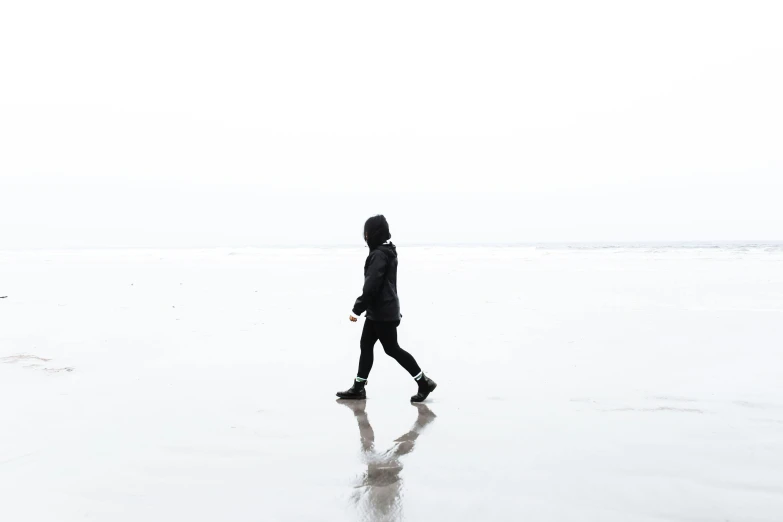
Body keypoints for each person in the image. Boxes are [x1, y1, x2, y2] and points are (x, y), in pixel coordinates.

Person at [336, 215, 437, 402]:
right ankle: (358, 387)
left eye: (366, 232)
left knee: (392, 349)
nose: (364, 236)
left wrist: (357, 309)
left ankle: (424, 382)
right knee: (366, 346)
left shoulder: (379, 255)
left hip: (382, 312)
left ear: (372, 234)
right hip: (380, 311)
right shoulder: (386, 252)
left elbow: (372, 286)